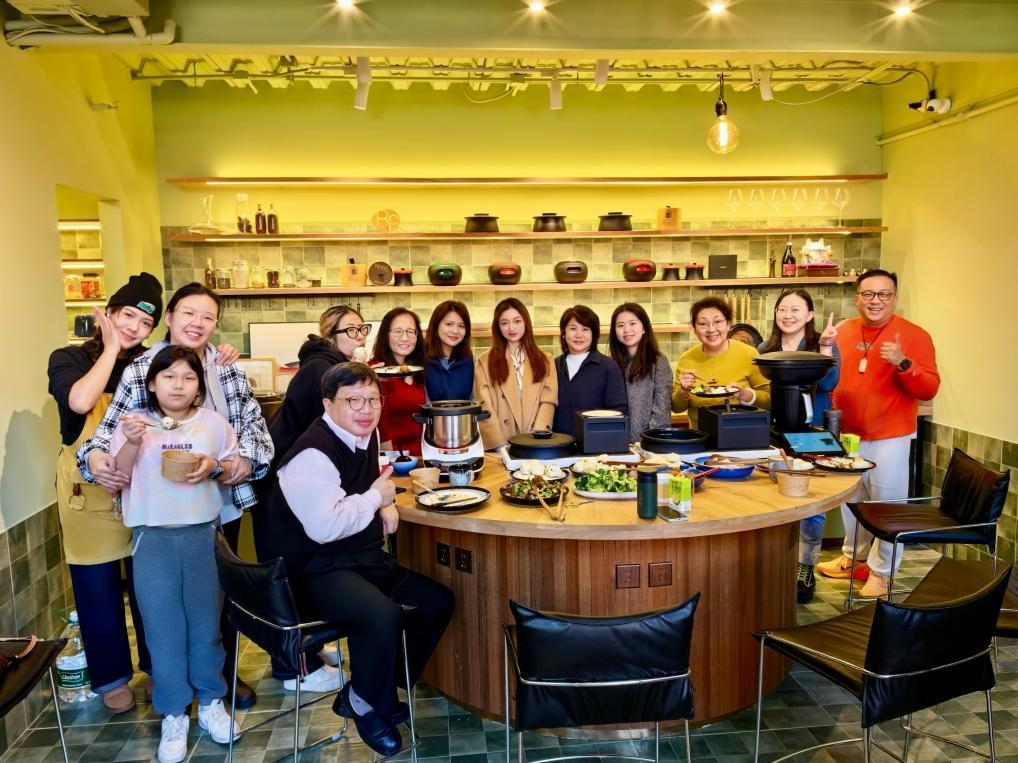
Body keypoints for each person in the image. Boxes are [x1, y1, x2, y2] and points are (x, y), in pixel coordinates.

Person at [77, 282, 273, 709]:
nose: (197, 323)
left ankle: (219, 680)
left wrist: (243, 460)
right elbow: (105, 436)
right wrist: (94, 458)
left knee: (216, 600)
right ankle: (170, 686)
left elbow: (256, 432)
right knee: (162, 605)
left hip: (219, 502)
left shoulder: (227, 369)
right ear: (169, 317)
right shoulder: (142, 369)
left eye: (207, 317)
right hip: (160, 512)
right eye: (188, 313)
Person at [263, 363, 455, 757]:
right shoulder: (312, 455)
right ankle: (369, 705)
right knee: (382, 616)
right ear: (328, 405)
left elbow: (369, 480)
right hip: (310, 568)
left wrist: (383, 503)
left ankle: (368, 690)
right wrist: (375, 500)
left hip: (356, 556)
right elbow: (325, 527)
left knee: (437, 601)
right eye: (353, 400)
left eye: (372, 399)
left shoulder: (364, 434)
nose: (365, 409)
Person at [110, 346, 241, 763]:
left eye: (188, 377)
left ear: (199, 384)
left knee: (206, 626)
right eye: (169, 377)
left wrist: (214, 466)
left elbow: (235, 467)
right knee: (163, 631)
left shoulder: (214, 423)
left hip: (203, 535)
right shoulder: (134, 424)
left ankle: (212, 702)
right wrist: (131, 443)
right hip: (152, 539)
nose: (178, 385)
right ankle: (173, 713)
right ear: (152, 383)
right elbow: (117, 477)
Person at [47, 273, 164, 714]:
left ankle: (157, 667)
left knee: (150, 588)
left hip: (141, 486)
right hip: (87, 492)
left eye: (144, 323)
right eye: (127, 316)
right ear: (109, 313)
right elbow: (80, 402)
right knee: (97, 589)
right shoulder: (68, 358)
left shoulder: (151, 365)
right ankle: (111, 677)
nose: (134, 327)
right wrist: (112, 348)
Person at [817, 269, 940, 599]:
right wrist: (824, 347)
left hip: (890, 435)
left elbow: (929, 389)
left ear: (894, 299)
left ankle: (882, 573)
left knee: (887, 505)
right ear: (857, 298)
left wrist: (903, 363)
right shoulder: (843, 330)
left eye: (884, 294)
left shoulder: (915, 335)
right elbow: (826, 378)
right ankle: (854, 558)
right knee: (850, 502)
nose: (875, 301)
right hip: (846, 434)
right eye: (868, 294)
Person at [758, 289, 841, 603]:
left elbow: (830, 384)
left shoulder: (822, 343)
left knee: (810, 503)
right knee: (772, 499)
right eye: (782, 309)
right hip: (774, 436)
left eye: (795, 309)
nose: (787, 315)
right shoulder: (766, 348)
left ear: (809, 315)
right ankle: (775, 567)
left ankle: (805, 567)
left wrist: (827, 348)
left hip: (811, 432)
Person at [268, 305, 371, 468]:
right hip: (292, 464)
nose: (360, 337)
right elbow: (333, 425)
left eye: (362, 329)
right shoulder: (320, 368)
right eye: (351, 330)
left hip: (314, 457)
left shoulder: (339, 365)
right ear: (330, 336)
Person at [672, 297, 771, 429]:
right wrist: (683, 391)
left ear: (728, 324)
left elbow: (770, 400)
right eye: (703, 324)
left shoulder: (749, 354)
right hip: (701, 435)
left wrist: (746, 395)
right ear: (694, 329)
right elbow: (676, 407)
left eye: (717, 322)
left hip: (743, 432)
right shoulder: (687, 359)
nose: (711, 329)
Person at [474, 298, 557, 450]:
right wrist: (500, 446)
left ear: (526, 322)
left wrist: (537, 438)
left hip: (535, 443)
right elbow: (484, 406)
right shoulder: (485, 361)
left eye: (517, 321)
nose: (511, 328)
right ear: (498, 327)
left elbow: (548, 402)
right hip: (502, 445)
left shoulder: (545, 359)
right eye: (504, 323)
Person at [552, 305, 628, 437]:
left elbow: (618, 413)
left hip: (595, 445)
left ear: (594, 334)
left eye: (585, 329)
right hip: (557, 444)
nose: (579, 335)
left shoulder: (608, 367)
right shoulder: (553, 366)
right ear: (563, 332)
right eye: (573, 328)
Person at [609, 303, 674, 442]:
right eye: (620, 325)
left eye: (632, 323)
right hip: (615, 443)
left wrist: (648, 442)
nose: (626, 330)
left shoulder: (658, 361)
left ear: (644, 327)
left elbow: (661, 411)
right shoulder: (610, 363)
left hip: (648, 445)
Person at [371, 308, 426, 455]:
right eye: (398, 331)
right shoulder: (376, 370)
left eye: (410, 331)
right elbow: (378, 419)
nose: (405, 338)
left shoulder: (418, 370)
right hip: (393, 455)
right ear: (385, 334)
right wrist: (388, 456)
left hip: (420, 453)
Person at [423, 300, 473, 401]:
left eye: (461, 326)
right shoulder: (419, 360)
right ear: (436, 325)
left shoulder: (471, 361)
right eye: (449, 324)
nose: (455, 331)